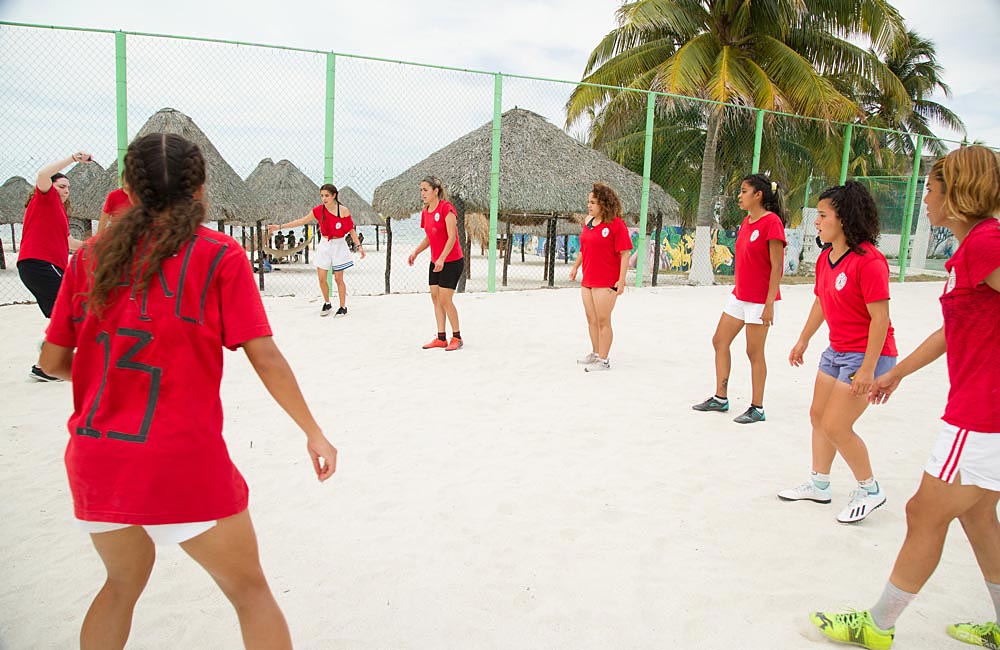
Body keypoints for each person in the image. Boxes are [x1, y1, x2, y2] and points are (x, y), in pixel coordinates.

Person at [38, 132, 338, 650]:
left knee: (120, 586)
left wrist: (114, 378)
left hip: (96, 455)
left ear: (129, 187)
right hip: (178, 457)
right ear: (199, 188)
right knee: (249, 593)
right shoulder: (218, 254)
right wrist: (314, 432)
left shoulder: (90, 256)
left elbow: (54, 363)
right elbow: (264, 356)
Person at [809, 146, 1000, 649]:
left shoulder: (987, 243)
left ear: (956, 194)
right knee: (978, 516)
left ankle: (878, 625)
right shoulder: (973, 248)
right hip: (981, 412)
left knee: (924, 512)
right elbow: (952, 329)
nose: (926, 202)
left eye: (931, 191)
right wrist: (900, 374)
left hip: (983, 415)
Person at [778, 181, 896, 524]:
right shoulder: (827, 258)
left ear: (843, 219)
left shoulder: (869, 261)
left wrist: (869, 369)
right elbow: (821, 301)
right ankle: (819, 484)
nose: (816, 221)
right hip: (838, 350)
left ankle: (870, 489)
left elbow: (880, 318)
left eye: (823, 215)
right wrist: (803, 339)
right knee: (818, 416)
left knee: (836, 425)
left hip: (868, 355)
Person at [692, 174, 786, 422]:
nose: (740, 196)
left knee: (754, 353)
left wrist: (768, 305)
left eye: (744, 191)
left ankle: (757, 407)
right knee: (719, 341)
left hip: (760, 300)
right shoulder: (747, 222)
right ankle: (720, 398)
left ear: (759, 195)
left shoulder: (772, 222)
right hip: (740, 296)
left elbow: (777, 267)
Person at [17, 151, 91, 381]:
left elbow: (69, 242)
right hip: (38, 263)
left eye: (68, 187)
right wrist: (72, 158)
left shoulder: (59, 211)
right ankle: (48, 361)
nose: (66, 190)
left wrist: (97, 245)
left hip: (49, 267)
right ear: (51, 186)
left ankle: (45, 364)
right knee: (71, 310)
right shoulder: (43, 198)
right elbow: (43, 174)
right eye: (61, 186)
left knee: (65, 313)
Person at [267, 185, 364, 316]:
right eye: (322, 195)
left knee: (338, 279)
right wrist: (279, 227)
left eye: (327, 195)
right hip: (324, 244)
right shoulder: (318, 210)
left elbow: (351, 230)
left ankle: (343, 306)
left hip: (339, 245)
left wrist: (359, 247)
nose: (324, 198)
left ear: (334, 195)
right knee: (322, 278)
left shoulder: (343, 210)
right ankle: (327, 303)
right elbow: (301, 221)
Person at [568, 182, 632, 372]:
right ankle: (596, 353)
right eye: (589, 202)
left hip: (606, 281)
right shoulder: (588, 221)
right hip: (588, 278)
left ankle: (604, 360)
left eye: (593, 202)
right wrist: (575, 268)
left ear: (604, 204)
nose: (589, 206)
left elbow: (625, 253)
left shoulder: (616, 224)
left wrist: (621, 280)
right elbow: (584, 247)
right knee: (591, 319)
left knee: (604, 320)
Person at [408, 175, 465, 351]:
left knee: (445, 299)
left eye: (425, 190)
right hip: (436, 261)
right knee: (435, 298)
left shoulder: (447, 209)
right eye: (421, 190)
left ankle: (457, 337)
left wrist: (442, 258)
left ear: (436, 191)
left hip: (452, 260)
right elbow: (430, 236)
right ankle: (441, 338)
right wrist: (416, 251)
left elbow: (452, 237)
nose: (422, 193)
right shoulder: (426, 211)